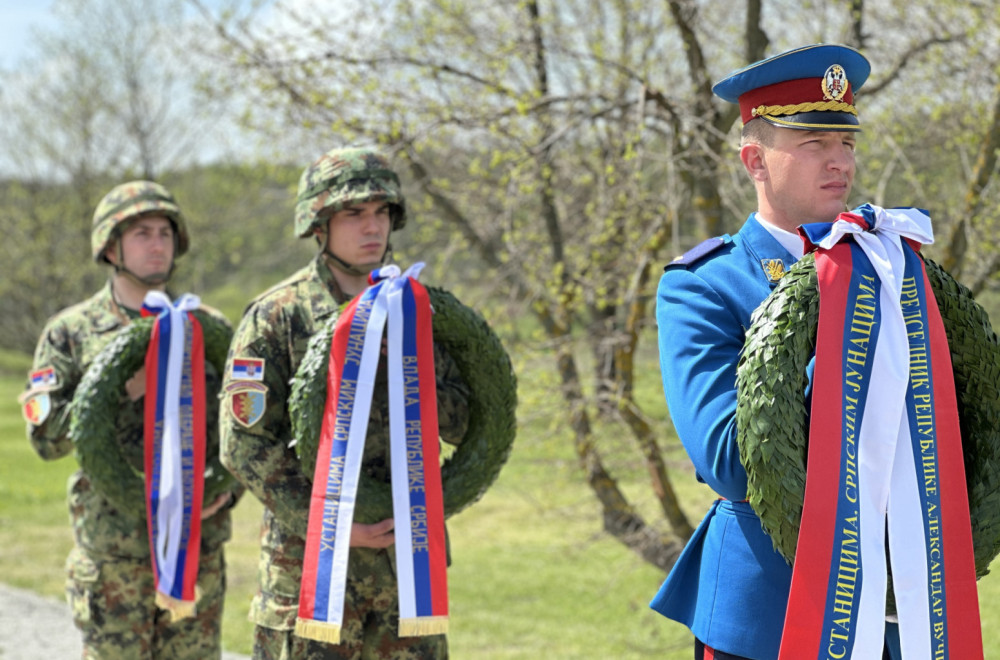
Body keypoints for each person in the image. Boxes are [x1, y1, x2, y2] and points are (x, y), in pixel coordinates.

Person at [649, 44, 904, 659]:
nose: (840, 161)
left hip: (894, 609)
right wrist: (849, 337)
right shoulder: (704, 285)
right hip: (771, 614)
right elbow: (731, 462)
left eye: (846, 143)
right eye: (814, 143)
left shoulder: (890, 271)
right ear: (755, 160)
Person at [220, 147, 470, 660]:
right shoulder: (278, 317)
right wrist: (332, 526)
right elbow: (243, 445)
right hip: (311, 580)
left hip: (407, 580)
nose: (372, 226)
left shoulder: (419, 311)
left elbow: (463, 424)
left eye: (381, 212)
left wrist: (415, 372)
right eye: (354, 213)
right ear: (319, 224)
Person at [21, 180, 236, 658]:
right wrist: (120, 389)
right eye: (142, 233)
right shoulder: (72, 332)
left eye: (165, 233)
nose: (157, 244)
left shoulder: (207, 327)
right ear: (110, 247)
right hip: (116, 552)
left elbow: (241, 430)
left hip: (196, 548)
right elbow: (45, 440)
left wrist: (223, 492)